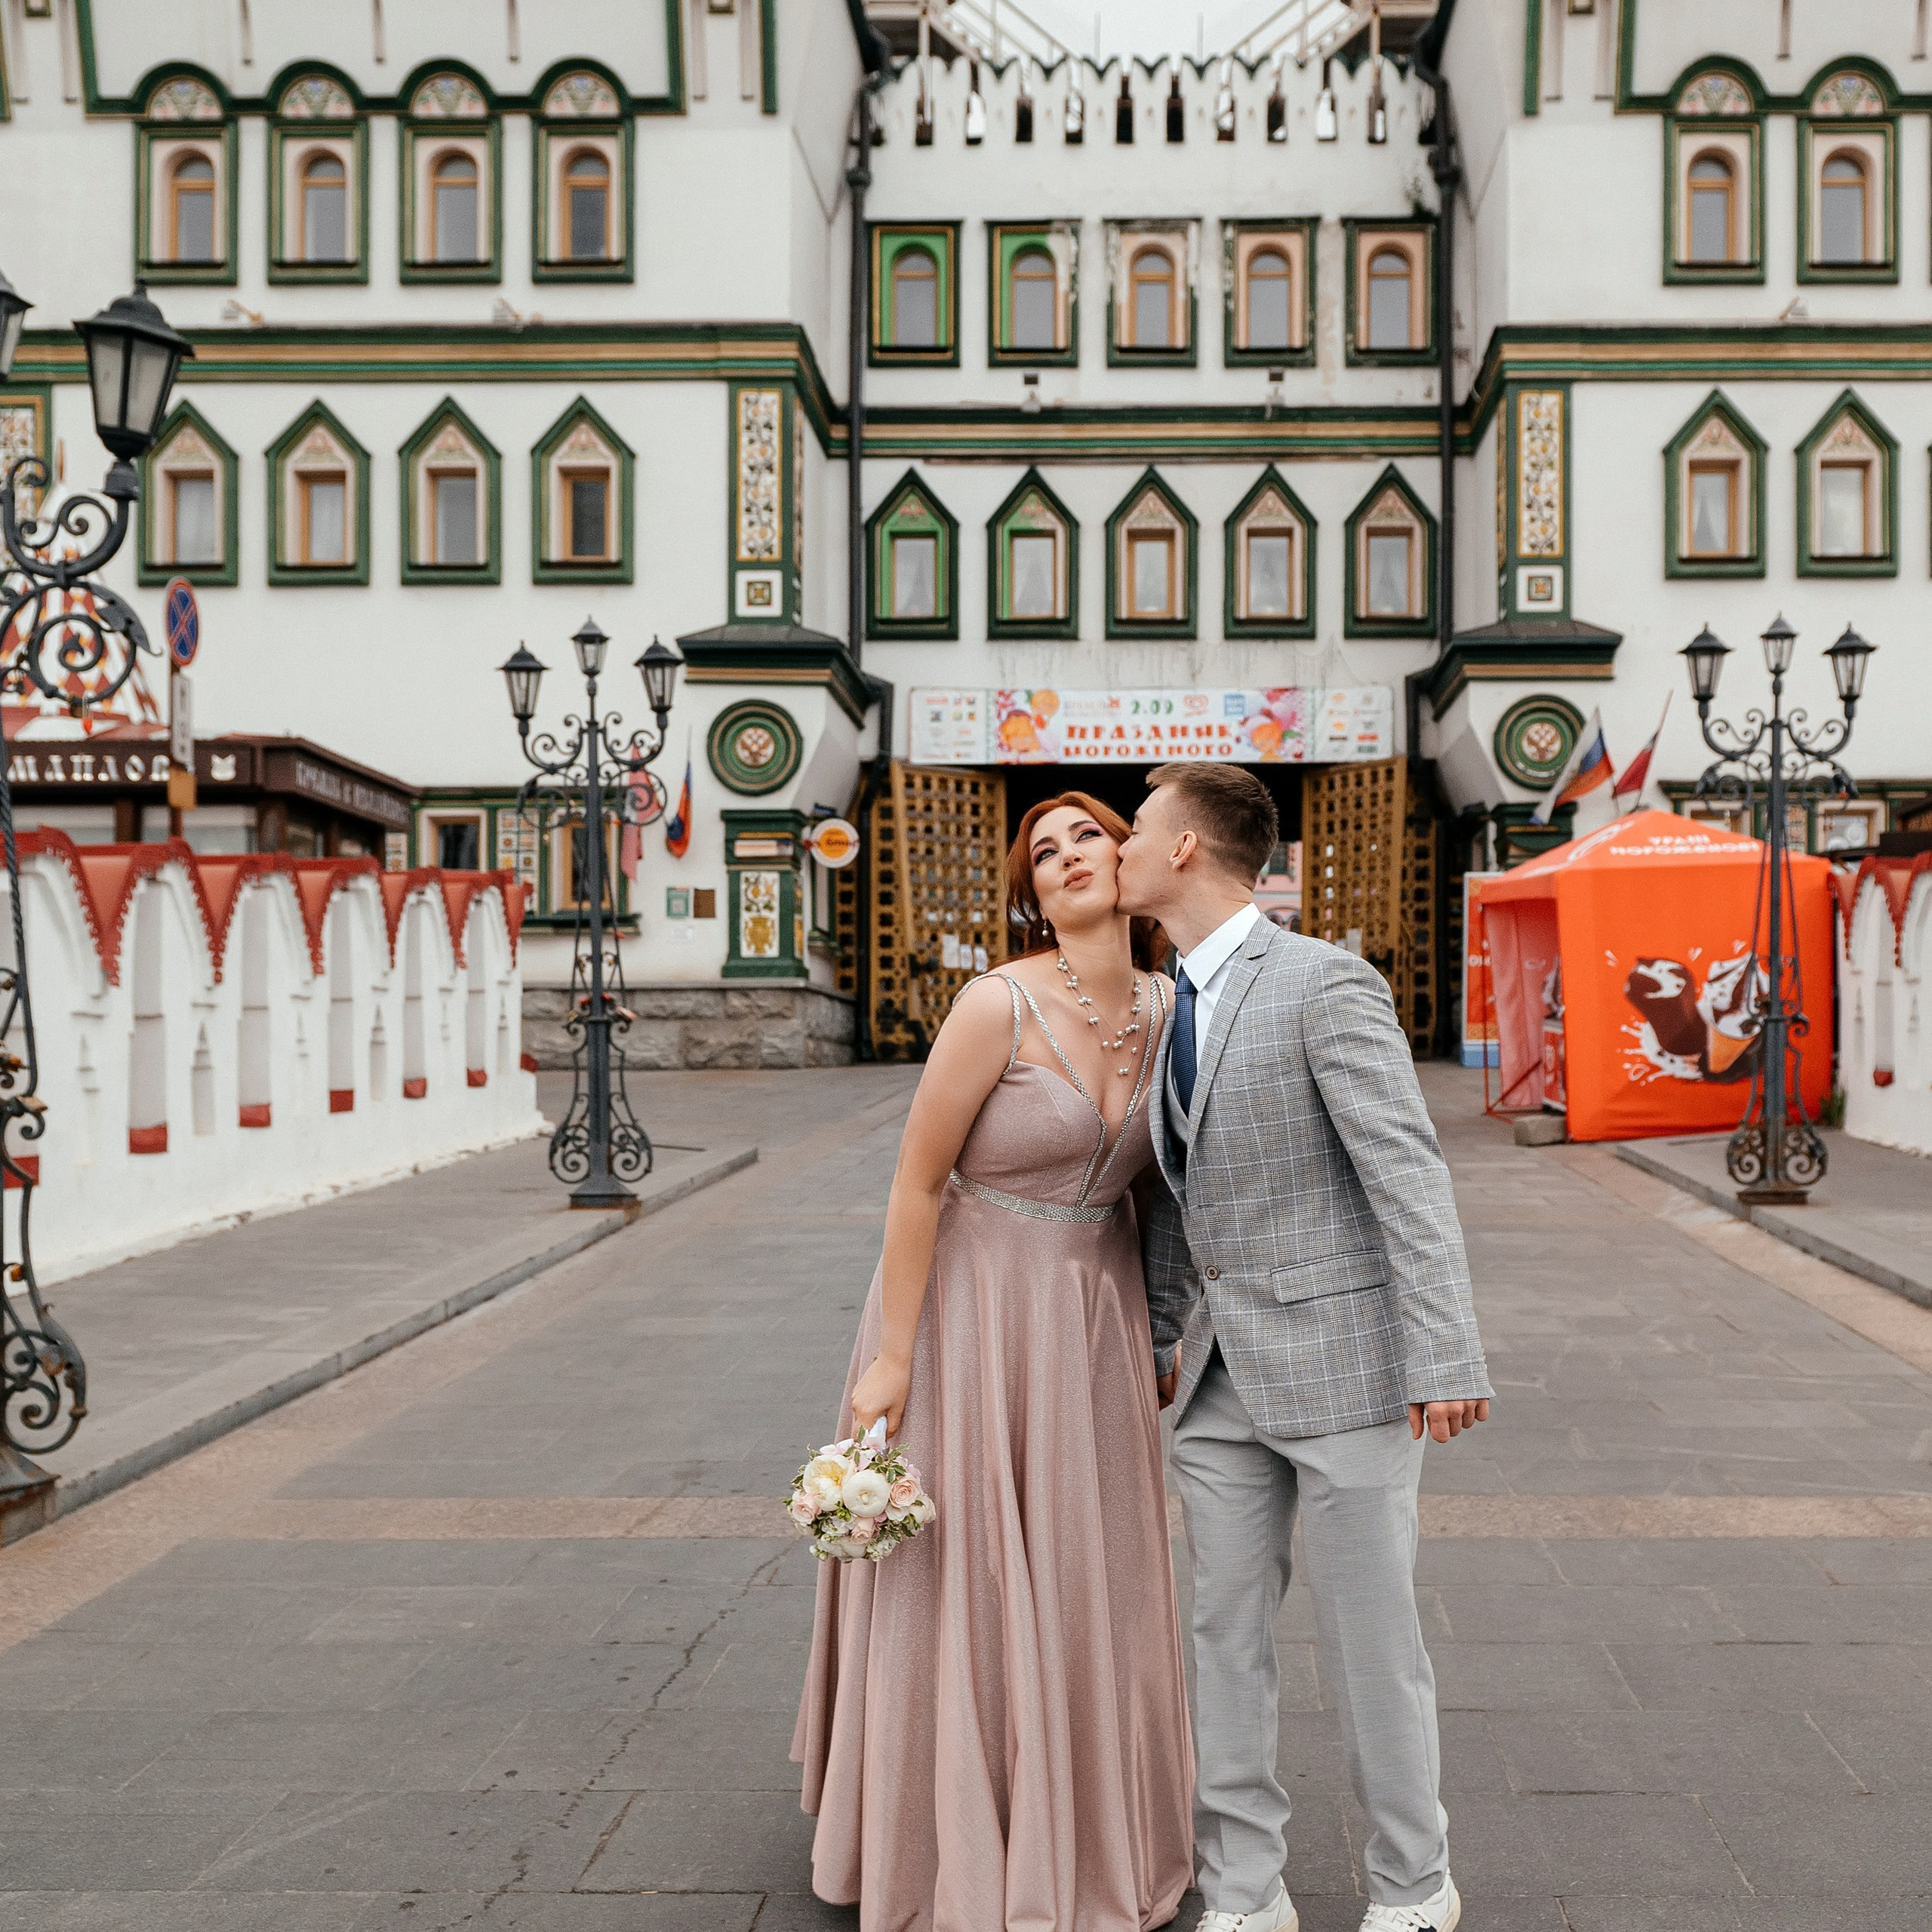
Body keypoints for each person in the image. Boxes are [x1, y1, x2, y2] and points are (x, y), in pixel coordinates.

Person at [792, 792, 1195, 1932]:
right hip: (970, 1308)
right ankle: (940, 1843)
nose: (1069, 858)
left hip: (1092, 1319)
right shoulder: (995, 1004)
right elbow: (918, 1183)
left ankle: (1083, 1827)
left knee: (1086, 1569)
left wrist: (1163, 1331)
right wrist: (891, 1357)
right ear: (1031, 890)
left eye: (1088, 839)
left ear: (1132, 858)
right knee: (960, 1569)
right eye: (1045, 851)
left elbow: (1170, 1196)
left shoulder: (1177, 1012)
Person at [1113, 763, 1493, 1932]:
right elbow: (1183, 1193)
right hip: (1223, 1379)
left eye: (1135, 828)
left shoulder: (1325, 983)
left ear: (1185, 848)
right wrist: (1166, 1330)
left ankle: (1414, 1886)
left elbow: (1406, 1173)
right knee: (1220, 1635)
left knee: (1372, 1643)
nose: (1121, 847)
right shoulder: (1166, 1002)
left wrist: (1446, 1354)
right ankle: (1244, 1890)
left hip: (1347, 1365)